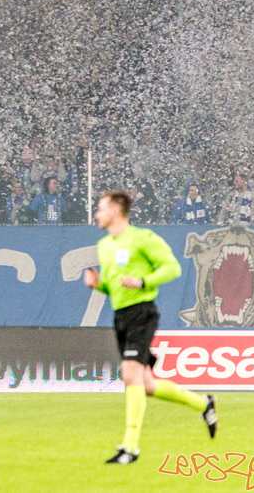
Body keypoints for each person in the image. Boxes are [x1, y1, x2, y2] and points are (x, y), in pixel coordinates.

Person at [82, 191, 216, 465]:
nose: (96, 214)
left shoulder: (142, 238)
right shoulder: (104, 246)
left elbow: (172, 268)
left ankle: (130, 448)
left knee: (130, 374)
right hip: (120, 316)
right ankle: (204, 403)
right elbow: (114, 288)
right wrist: (99, 285)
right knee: (146, 385)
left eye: (101, 209)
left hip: (142, 313)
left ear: (116, 211)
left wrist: (144, 281)